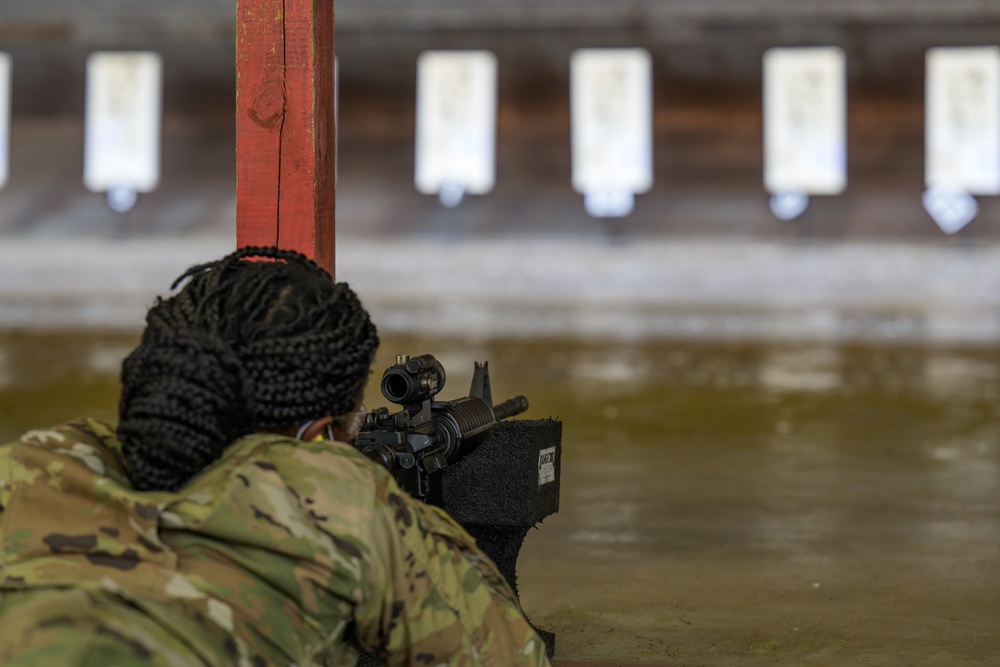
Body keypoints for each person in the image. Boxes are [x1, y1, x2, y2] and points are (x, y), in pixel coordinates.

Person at [0, 246, 551, 667]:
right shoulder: (340, 503)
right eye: (351, 424)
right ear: (316, 436)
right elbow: (506, 653)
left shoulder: (39, 461)